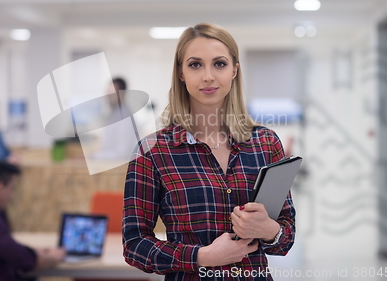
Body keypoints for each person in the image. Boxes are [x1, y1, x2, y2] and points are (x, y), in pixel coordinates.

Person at [122, 23, 295, 281]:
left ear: (235, 70)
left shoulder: (266, 143)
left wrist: (269, 229)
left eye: (219, 64)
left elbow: (286, 235)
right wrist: (202, 257)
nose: (208, 76)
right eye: (195, 65)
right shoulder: (152, 152)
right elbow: (134, 245)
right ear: (181, 73)